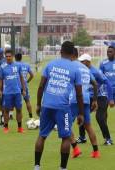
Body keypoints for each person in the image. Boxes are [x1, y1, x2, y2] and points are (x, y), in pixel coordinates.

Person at [34, 41, 84, 170]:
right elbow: (79, 94)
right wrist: (81, 113)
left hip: (47, 105)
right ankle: (62, 168)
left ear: (60, 51)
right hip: (63, 108)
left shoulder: (50, 64)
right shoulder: (75, 69)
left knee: (42, 135)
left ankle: (37, 166)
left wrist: (39, 105)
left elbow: (41, 86)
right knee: (66, 137)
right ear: (73, 53)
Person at [76, 54, 114, 145]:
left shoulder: (96, 72)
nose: (80, 63)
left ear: (88, 62)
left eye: (82, 61)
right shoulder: (82, 71)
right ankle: (82, 137)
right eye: (80, 61)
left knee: (100, 118)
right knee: (82, 114)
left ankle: (108, 139)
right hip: (89, 97)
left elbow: (107, 82)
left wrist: (111, 98)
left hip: (101, 97)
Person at [70, 50, 100, 159]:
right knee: (88, 126)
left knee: (66, 125)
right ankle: (96, 152)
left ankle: (75, 149)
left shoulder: (72, 66)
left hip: (74, 99)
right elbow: (95, 84)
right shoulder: (86, 69)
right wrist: (95, 101)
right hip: (86, 99)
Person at [0, 49, 26, 134]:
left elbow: (21, 78)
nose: (8, 58)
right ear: (5, 57)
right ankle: (6, 127)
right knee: (6, 110)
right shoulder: (2, 67)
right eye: (6, 56)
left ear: (13, 56)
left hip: (17, 92)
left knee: (19, 109)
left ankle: (20, 128)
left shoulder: (18, 66)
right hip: (7, 92)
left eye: (10, 56)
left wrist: (23, 89)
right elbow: (0, 79)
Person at [97, 46, 115, 145]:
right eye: (108, 52)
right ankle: (107, 138)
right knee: (102, 115)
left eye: (111, 52)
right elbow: (99, 78)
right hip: (106, 92)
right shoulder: (103, 63)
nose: (109, 53)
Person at [15, 53, 34, 119]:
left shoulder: (14, 65)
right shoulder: (26, 65)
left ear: (15, 58)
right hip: (24, 85)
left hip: (16, 85)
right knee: (27, 101)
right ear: (21, 57)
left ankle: (11, 115)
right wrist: (27, 81)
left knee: (13, 101)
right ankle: (30, 116)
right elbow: (32, 75)